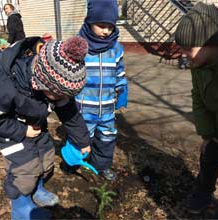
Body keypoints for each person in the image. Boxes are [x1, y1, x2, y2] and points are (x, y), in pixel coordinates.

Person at [0, 35, 91, 220]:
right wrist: (21, 130)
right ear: (42, 82)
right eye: (58, 95)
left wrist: (82, 141)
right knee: (24, 170)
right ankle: (21, 209)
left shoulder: (56, 87)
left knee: (46, 159)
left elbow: (70, 113)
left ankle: (37, 189)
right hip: (11, 134)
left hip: (36, 128)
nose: (61, 99)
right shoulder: (2, 87)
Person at [175, 3, 218, 219]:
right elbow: (198, 97)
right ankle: (202, 193)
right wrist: (207, 133)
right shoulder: (198, 66)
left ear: (212, 44)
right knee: (208, 157)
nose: (183, 54)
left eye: (188, 48)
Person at [63, 0, 128, 181]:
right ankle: (71, 162)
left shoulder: (116, 48)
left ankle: (102, 166)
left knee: (106, 139)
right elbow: (69, 73)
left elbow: (119, 72)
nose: (106, 31)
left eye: (110, 26)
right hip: (84, 108)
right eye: (101, 26)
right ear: (90, 21)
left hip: (107, 107)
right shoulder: (79, 47)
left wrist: (121, 89)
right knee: (80, 139)